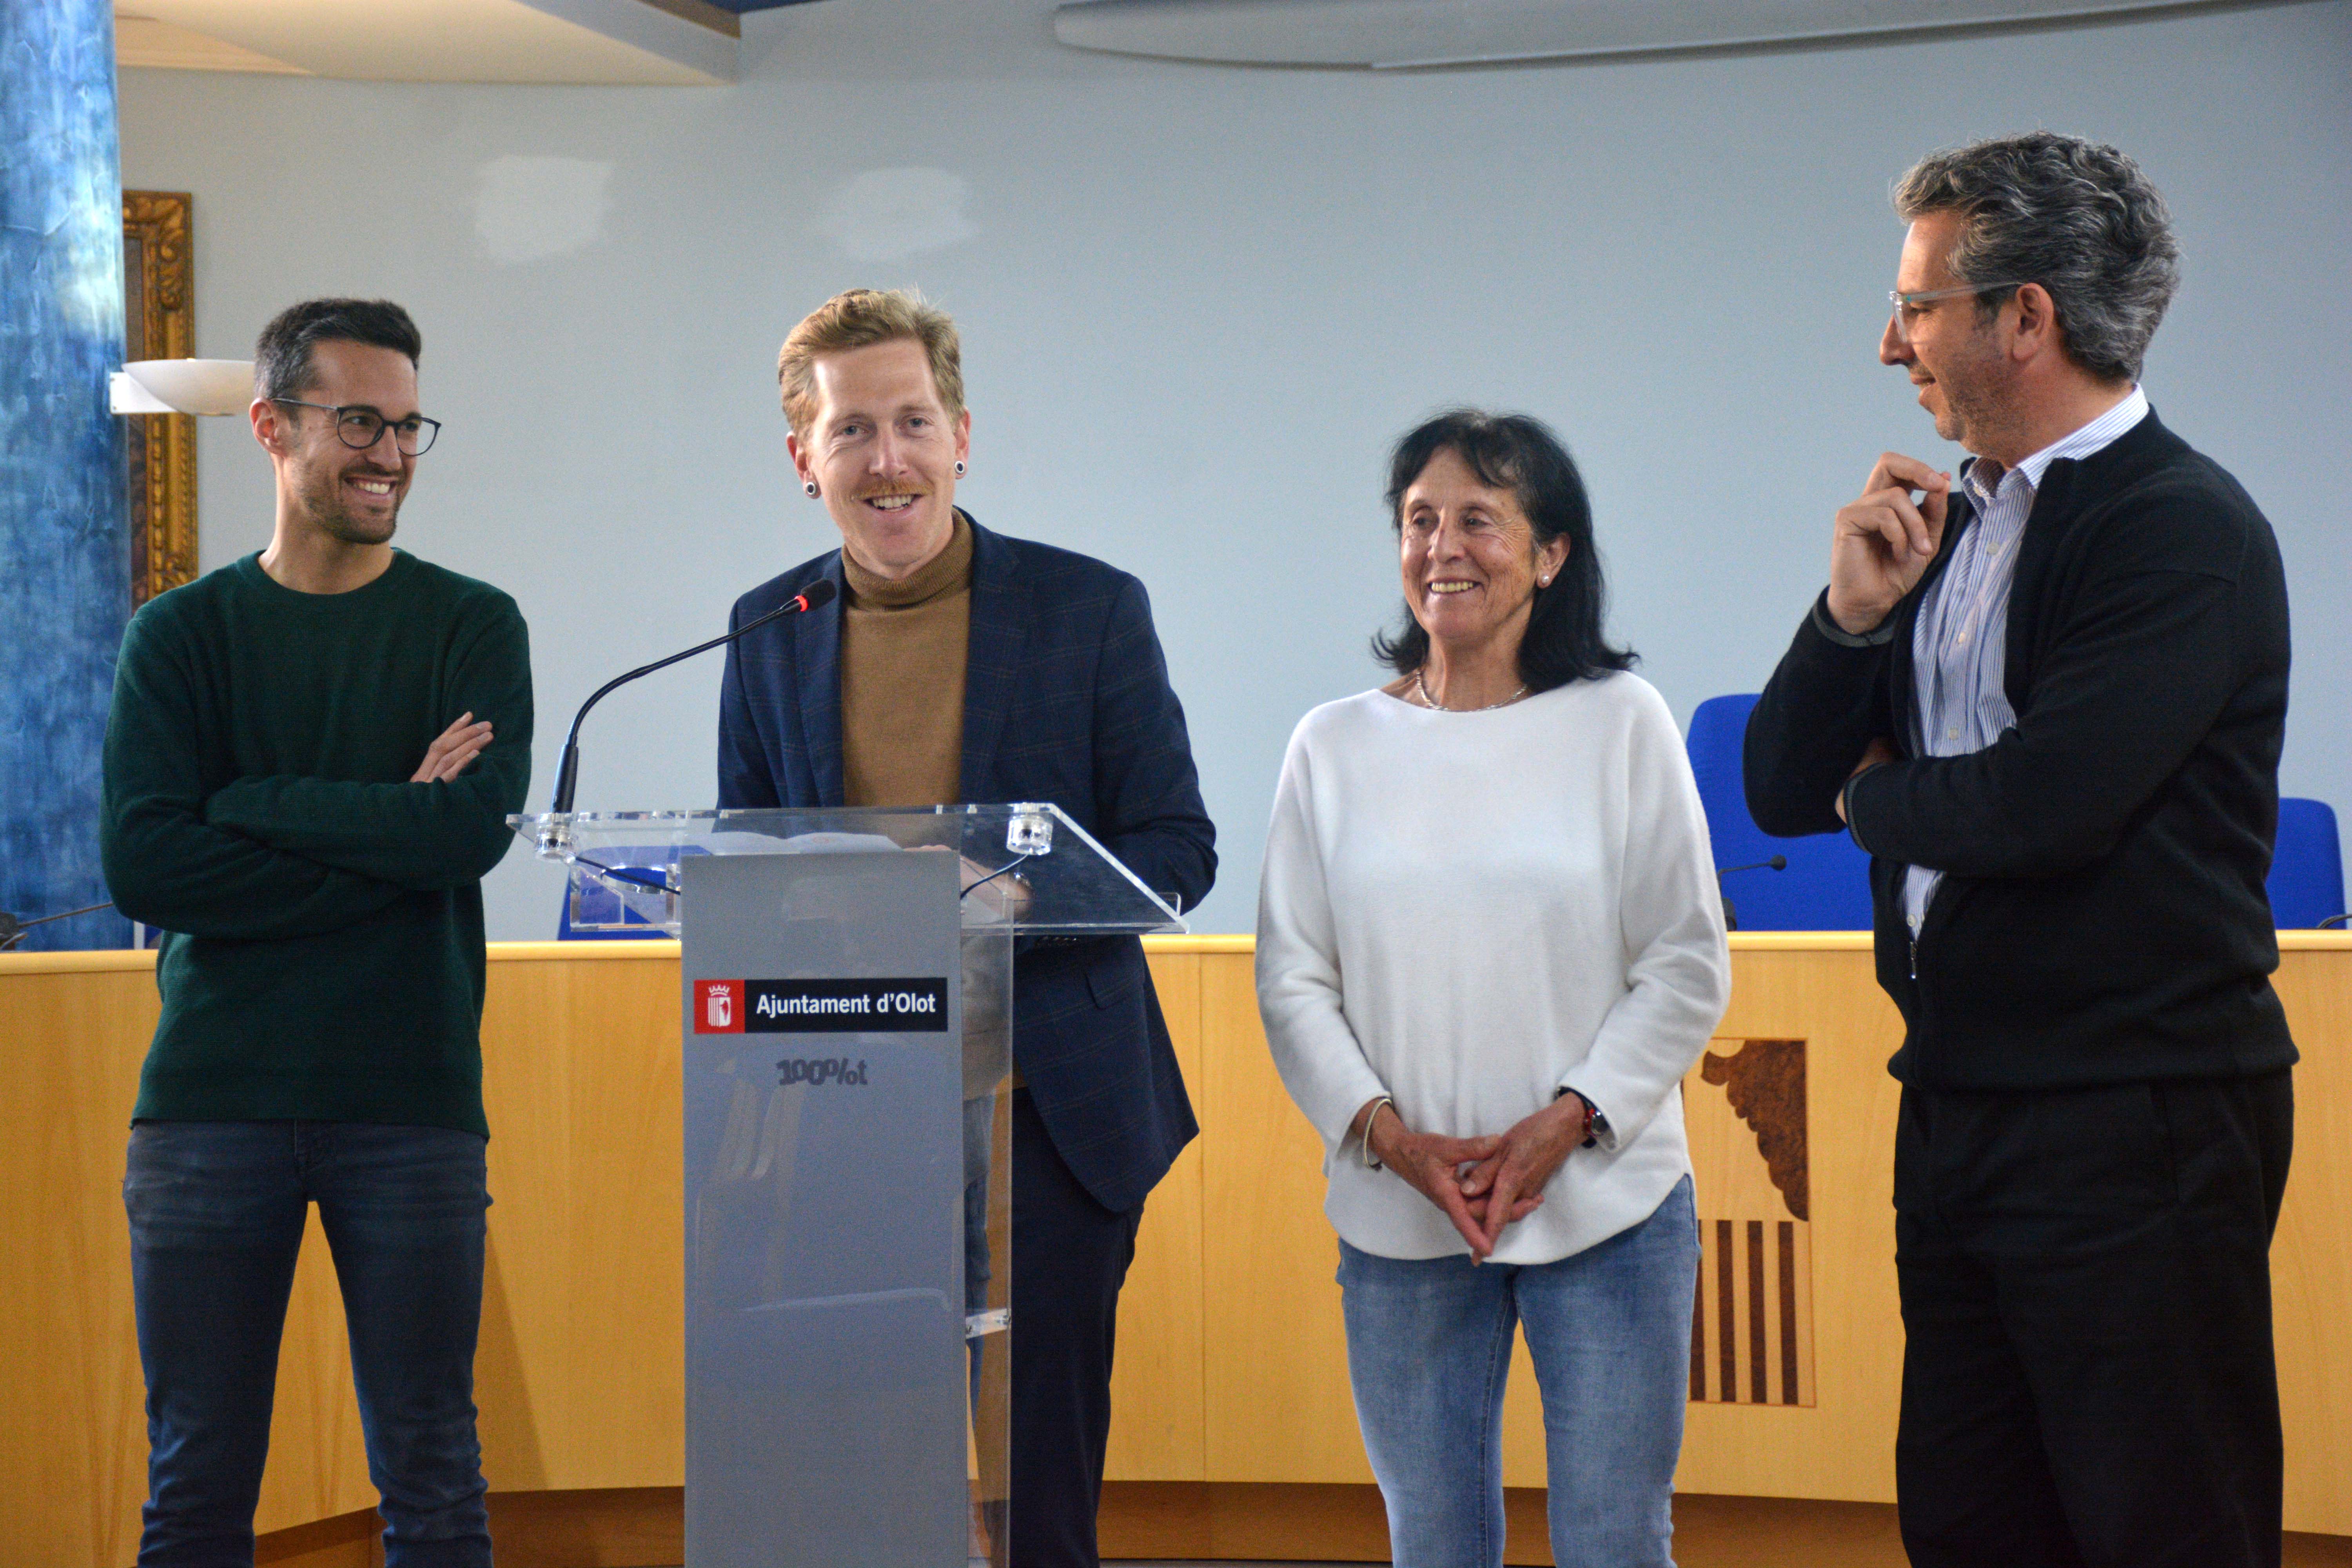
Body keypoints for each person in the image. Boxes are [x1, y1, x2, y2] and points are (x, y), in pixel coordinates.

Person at [1744, 132, 2294, 1568]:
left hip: (2140, 1115)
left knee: (2160, 1525)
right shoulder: (1943, 524)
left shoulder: (2182, 529)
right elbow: (1777, 783)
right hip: (1965, 1103)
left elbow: (2045, 808)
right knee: (1975, 1524)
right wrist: (1849, 618)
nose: (1889, 344)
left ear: (2027, 316)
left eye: (1918, 305)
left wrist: (1883, 802)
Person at [715, 287, 1216, 1568]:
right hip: (850, 1092)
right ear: (803, 460)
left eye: (913, 423)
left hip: (1051, 1100)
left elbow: (1177, 854)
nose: (887, 460)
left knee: (1045, 1472)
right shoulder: (769, 632)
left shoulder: (1089, 609)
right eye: (852, 433)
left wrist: (1016, 901)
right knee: (879, 1472)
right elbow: (747, 859)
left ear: (962, 436)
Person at [1256, 410, 1731, 1568]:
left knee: (1618, 1540)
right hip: (1403, 1212)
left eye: (1481, 519)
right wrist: (1396, 1141)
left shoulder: (1622, 722)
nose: (1443, 547)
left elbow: (1685, 961)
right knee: (1434, 1543)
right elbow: (1292, 983)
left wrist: (1563, 1124)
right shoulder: (1332, 745)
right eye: (1421, 520)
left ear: (1553, 553)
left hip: (1609, 1204)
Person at [100, 298, 533, 1566]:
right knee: (195, 1482)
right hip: (208, 1106)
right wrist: (389, 823)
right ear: (271, 427)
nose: (389, 453)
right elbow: (147, 863)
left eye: (407, 426)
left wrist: (254, 807)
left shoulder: (471, 625)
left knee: (433, 1474)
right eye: (358, 421)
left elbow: (465, 838)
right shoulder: (180, 638)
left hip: (411, 1101)